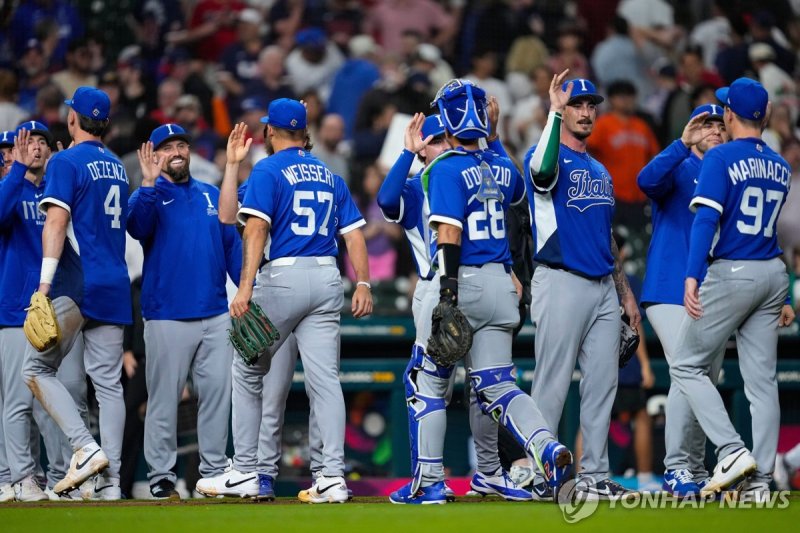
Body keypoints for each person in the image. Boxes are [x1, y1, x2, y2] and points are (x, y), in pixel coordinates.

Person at [389, 79, 573, 504]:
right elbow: (520, 193)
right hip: (501, 284)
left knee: (427, 382)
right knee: (498, 387)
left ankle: (430, 482)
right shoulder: (501, 165)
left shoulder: (444, 168)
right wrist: (492, 137)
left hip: (461, 280)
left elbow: (450, 232)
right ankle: (546, 446)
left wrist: (448, 296)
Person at [197, 98, 372, 503]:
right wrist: (364, 283)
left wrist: (244, 287)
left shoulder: (270, 169)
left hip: (284, 277)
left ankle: (245, 469)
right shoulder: (328, 173)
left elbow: (254, 227)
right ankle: (331, 477)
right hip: (328, 277)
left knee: (245, 368)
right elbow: (354, 234)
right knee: (325, 381)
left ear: (270, 132)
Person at [670, 78, 795, 497]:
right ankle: (760, 484)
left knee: (686, 364)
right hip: (773, 272)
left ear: (730, 114)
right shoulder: (780, 163)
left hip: (733, 271)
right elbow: (777, 230)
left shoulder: (720, 156)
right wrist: (788, 295)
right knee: (762, 382)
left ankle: (731, 449)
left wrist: (692, 274)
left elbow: (706, 219)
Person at [523, 72, 641, 501]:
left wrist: (624, 290)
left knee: (602, 384)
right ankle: (539, 475)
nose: (587, 112)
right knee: (552, 382)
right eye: (578, 105)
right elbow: (540, 173)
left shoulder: (600, 169)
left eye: (592, 105)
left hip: (602, 286)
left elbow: (606, 235)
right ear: (563, 110)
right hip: (561, 278)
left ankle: (594, 474)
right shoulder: (545, 153)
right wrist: (553, 112)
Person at [21, 86, 132, 500]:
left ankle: (85, 448)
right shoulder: (118, 165)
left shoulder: (66, 160)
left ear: (73, 119)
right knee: (108, 386)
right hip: (116, 280)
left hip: (79, 281)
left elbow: (54, 224)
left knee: (35, 370)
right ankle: (112, 483)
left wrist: (44, 285)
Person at [127, 123, 242, 499]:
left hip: (214, 313)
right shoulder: (148, 195)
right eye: (168, 146)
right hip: (166, 315)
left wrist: (246, 290)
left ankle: (211, 472)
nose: (177, 151)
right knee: (163, 398)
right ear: (155, 155)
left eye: (182, 145)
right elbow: (135, 227)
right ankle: (161, 476)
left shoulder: (211, 194)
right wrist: (146, 184)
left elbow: (232, 250)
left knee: (216, 398)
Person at [216, 123, 327, 501]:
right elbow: (228, 215)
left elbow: (240, 223)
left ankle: (259, 473)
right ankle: (265, 474)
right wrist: (233, 166)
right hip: (304, 285)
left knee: (271, 388)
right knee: (277, 388)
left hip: (278, 287)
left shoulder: (273, 173)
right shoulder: (284, 173)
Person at [637, 104, 729, 496]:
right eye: (705, 124)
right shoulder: (678, 165)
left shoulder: (725, 174)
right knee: (687, 371)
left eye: (719, 126)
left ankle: (693, 467)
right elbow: (645, 180)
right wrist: (680, 143)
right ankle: (676, 467)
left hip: (713, 292)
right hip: (668, 286)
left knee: (704, 379)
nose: (713, 131)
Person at [1, 123, 89, 502]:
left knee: (62, 394)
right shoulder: (12, 187)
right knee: (17, 400)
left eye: (40, 141)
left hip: (59, 308)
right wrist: (16, 170)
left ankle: (59, 477)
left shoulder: (54, 192)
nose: (34, 148)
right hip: (15, 311)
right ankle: (21, 477)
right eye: (27, 142)